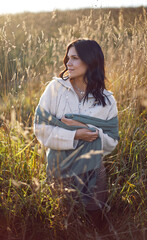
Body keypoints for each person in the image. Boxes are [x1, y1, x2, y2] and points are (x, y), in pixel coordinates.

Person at [34, 39, 119, 216]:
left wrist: (83, 126)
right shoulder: (55, 88)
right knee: (63, 220)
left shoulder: (107, 100)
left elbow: (112, 141)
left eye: (74, 58)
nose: (68, 63)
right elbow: (41, 128)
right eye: (68, 58)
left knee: (94, 219)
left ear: (90, 61)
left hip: (93, 169)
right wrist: (76, 135)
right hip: (60, 168)